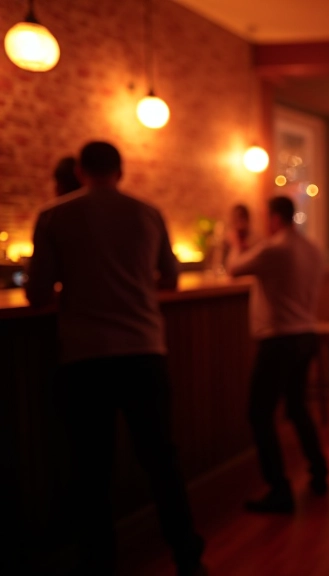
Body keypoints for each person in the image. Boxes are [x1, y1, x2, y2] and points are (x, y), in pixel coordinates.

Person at [26, 142, 206, 576]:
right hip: (144, 349)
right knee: (162, 459)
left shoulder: (55, 215)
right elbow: (171, 280)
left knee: (91, 472)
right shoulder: (148, 213)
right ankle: (188, 558)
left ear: (82, 169)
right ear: (121, 171)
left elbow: (36, 294)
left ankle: (99, 564)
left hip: (85, 356)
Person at [228, 196, 329, 515]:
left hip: (279, 340)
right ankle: (319, 472)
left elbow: (233, 268)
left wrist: (236, 239)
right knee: (297, 408)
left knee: (259, 414)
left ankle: (279, 489)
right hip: (306, 336)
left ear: (273, 218)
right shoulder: (313, 248)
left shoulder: (274, 249)